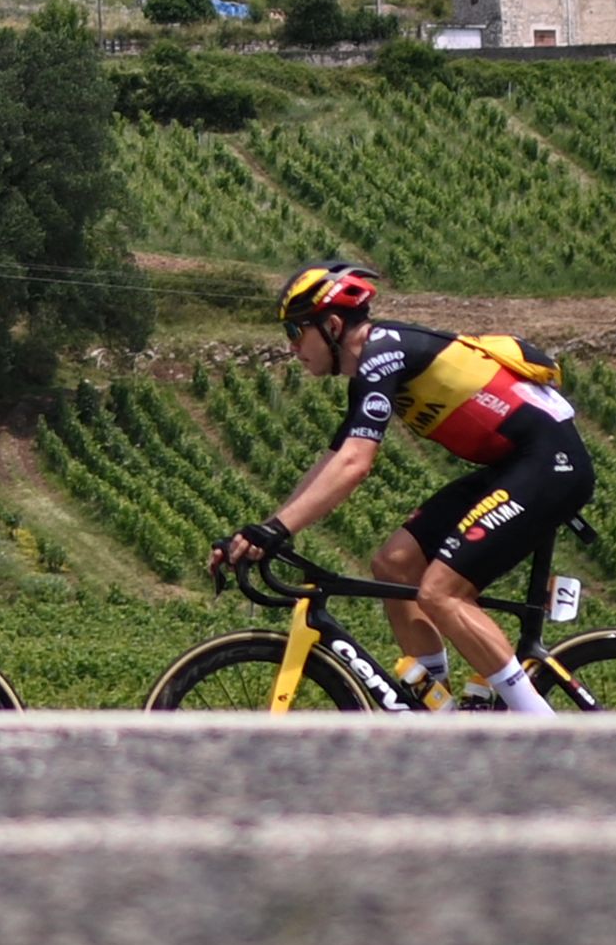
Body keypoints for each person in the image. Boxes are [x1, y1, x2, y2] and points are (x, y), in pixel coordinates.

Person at [205, 264, 590, 717]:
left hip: (550, 464)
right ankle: (438, 712)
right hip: (513, 465)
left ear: (331, 326)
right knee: (395, 564)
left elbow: (355, 464)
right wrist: (262, 531)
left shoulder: (384, 353)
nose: (291, 347)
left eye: (295, 330)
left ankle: (543, 727)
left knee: (440, 593)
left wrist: (277, 530)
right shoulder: (372, 366)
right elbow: (333, 459)